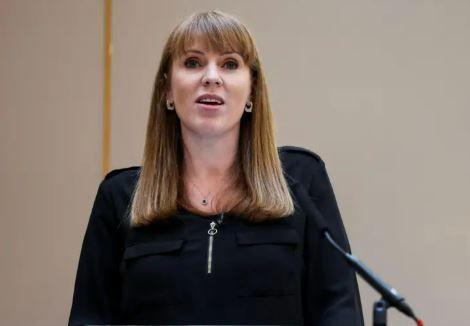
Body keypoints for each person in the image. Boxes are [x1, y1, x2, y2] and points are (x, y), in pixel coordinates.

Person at [68, 10, 364, 326]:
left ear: (252, 92)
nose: (211, 77)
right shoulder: (119, 197)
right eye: (193, 62)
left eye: (229, 64)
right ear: (167, 90)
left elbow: (339, 310)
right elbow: (90, 318)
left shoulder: (301, 180)